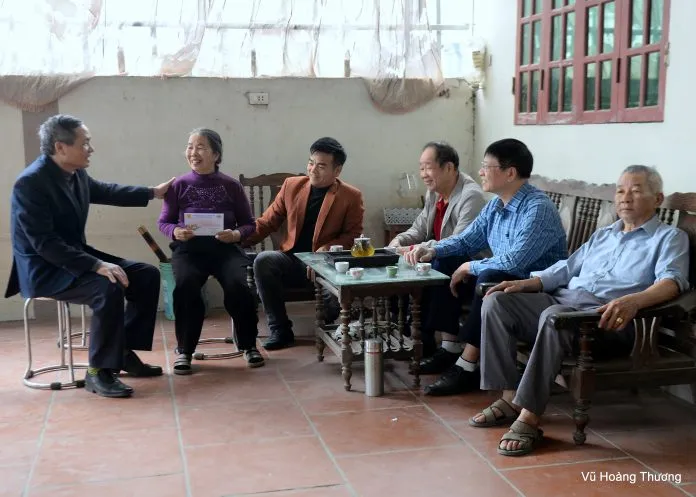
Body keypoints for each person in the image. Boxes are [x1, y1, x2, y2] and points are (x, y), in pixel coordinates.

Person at [470, 165, 689, 456]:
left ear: (658, 199)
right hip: (564, 302)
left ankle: (529, 417)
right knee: (497, 301)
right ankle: (509, 397)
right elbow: (566, 268)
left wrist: (633, 301)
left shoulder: (669, 238)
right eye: (620, 191)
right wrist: (526, 283)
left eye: (636, 191)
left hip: (605, 319)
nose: (625, 197)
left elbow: (672, 282)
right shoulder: (604, 235)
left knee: (555, 317)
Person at [5, 114, 175, 398]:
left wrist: (151, 193)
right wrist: (96, 265)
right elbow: (45, 244)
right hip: (45, 268)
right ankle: (98, 371)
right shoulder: (31, 184)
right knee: (107, 286)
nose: (91, 149)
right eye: (85, 143)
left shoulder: (75, 173)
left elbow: (105, 191)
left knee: (146, 275)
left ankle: (121, 352)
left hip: (74, 256)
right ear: (60, 147)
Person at [405, 138, 568, 396]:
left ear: (510, 173)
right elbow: (466, 240)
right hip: (503, 280)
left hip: (533, 289)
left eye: (486, 166)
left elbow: (516, 262)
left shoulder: (537, 209)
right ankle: (449, 349)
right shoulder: (496, 204)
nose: (480, 172)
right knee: (445, 260)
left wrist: (470, 266)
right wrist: (433, 248)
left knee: (489, 276)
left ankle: (467, 366)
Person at [158, 128, 264, 374]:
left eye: (201, 147)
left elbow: (249, 223)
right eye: (190, 147)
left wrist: (235, 235)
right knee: (185, 286)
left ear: (216, 155)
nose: (193, 152)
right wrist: (176, 231)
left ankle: (248, 345)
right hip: (189, 250)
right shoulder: (178, 185)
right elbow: (164, 222)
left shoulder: (231, 186)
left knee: (239, 285)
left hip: (225, 249)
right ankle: (185, 350)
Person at [246, 137, 364, 350]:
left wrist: (324, 251)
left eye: (321, 166)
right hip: (291, 260)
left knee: (331, 303)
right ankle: (280, 330)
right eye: (311, 163)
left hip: (325, 265)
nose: (313, 170)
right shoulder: (292, 186)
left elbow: (353, 235)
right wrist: (238, 238)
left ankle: (329, 323)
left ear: (337, 170)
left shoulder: (351, 196)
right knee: (263, 260)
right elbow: (267, 222)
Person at [387, 141, 486, 354]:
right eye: (421, 168)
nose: (423, 174)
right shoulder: (435, 192)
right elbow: (419, 228)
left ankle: (439, 343)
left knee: (436, 264)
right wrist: (399, 241)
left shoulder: (471, 196)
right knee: (397, 260)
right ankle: (406, 331)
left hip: (471, 265)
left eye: (428, 167)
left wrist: (417, 248)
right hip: (443, 256)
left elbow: (459, 243)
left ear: (449, 167)